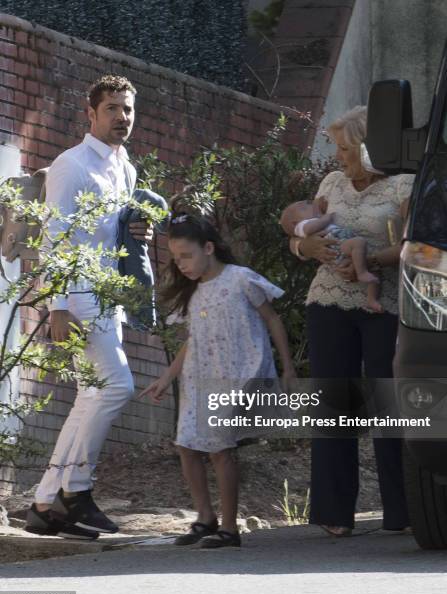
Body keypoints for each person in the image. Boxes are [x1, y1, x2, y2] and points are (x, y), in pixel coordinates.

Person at [25, 75, 154, 540]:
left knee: (91, 395)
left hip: (108, 294)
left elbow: (114, 230)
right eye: (113, 109)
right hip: (77, 296)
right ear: (92, 113)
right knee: (117, 386)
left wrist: (138, 232)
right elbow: (55, 238)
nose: (123, 117)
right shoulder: (71, 165)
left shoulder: (126, 166)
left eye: (128, 110)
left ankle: (45, 502)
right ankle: (75, 493)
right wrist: (57, 306)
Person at [280, 106, 413, 536]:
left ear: (366, 146)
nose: (337, 156)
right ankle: (334, 514)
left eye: (344, 147)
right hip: (328, 302)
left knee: (389, 406)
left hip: (384, 304)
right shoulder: (331, 183)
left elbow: (413, 245)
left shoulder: (403, 186)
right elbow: (299, 234)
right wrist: (309, 251)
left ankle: (404, 513)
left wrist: (368, 259)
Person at [139, 214, 296, 548]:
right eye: (176, 258)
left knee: (221, 449)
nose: (181, 264)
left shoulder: (241, 279)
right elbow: (191, 340)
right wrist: (168, 376)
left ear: (208, 248)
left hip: (238, 375)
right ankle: (205, 517)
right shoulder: (192, 293)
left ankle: (230, 527)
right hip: (199, 379)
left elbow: (273, 320)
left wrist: (288, 367)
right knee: (186, 445)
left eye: (187, 255)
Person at [281, 197, 383, 312]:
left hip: (340, 242)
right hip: (335, 244)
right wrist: (326, 219)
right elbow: (310, 229)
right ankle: (361, 273)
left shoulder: (312, 217)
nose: (311, 206)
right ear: (295, 222)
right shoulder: (301, 226)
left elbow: (316, 209)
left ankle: (371, 299)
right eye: (304, 208)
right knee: (359, 243)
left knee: (374, 269)